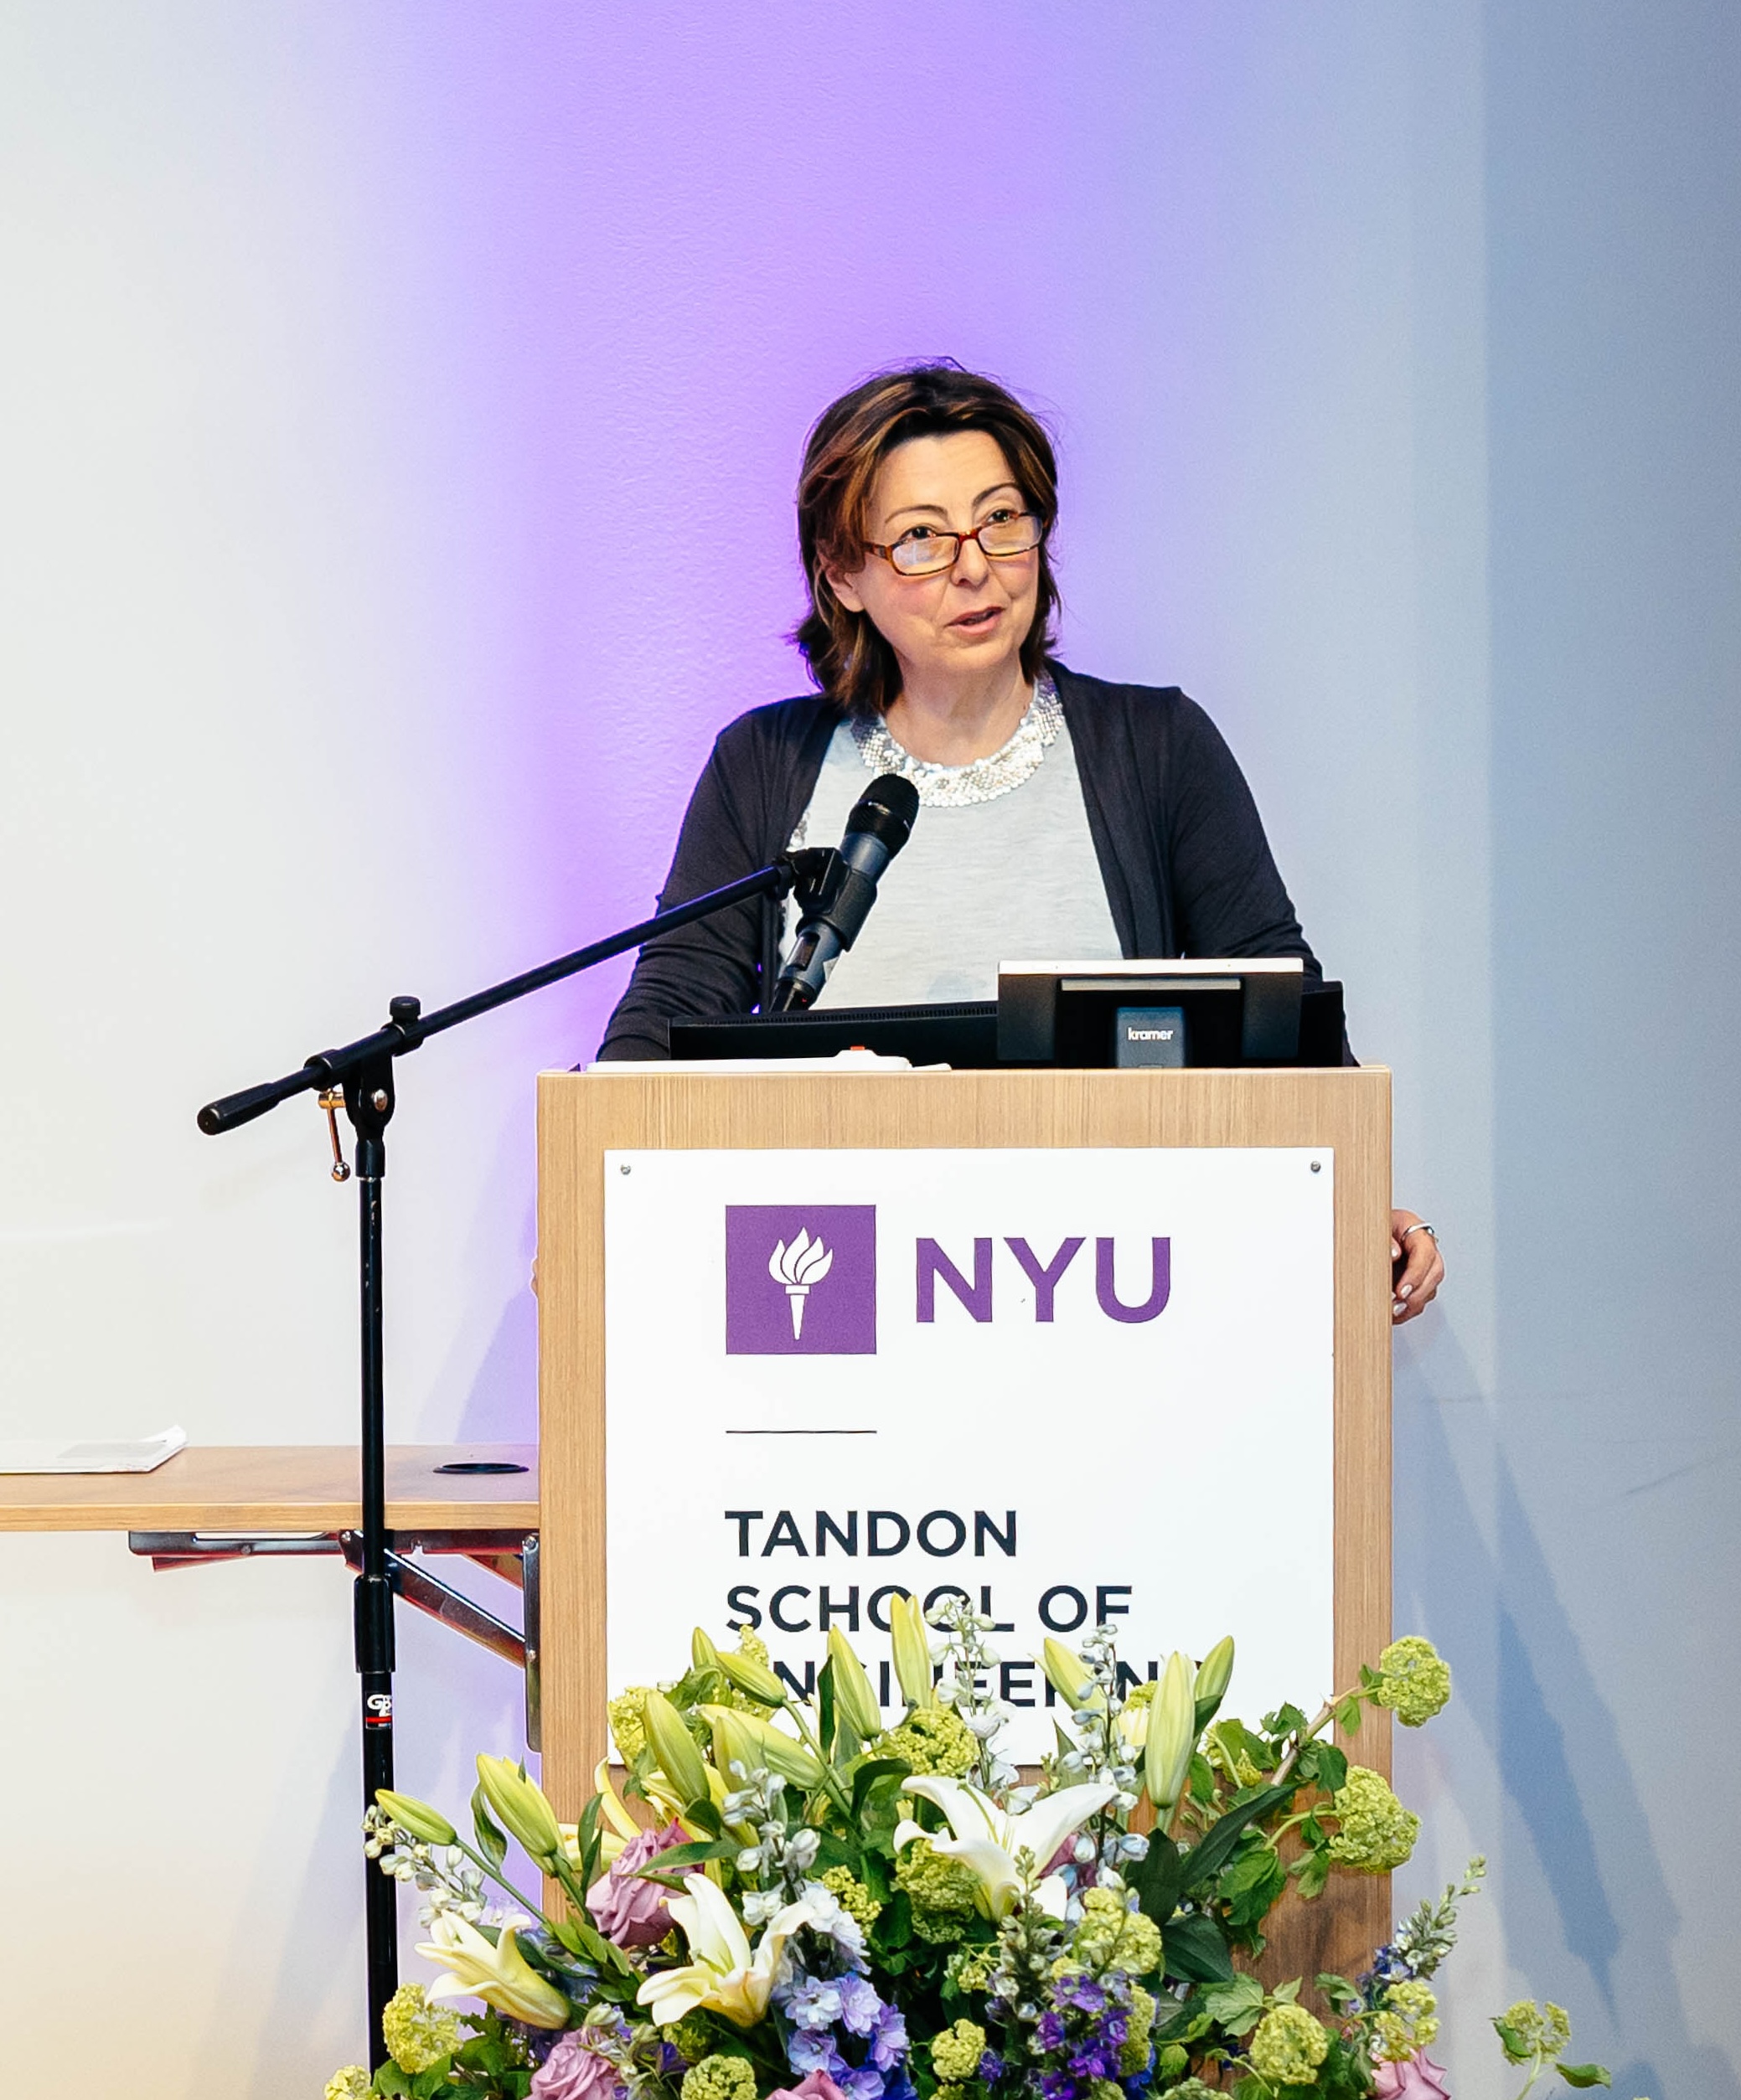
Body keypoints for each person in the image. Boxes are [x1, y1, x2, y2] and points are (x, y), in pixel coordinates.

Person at [598, 364, 1444, 1323]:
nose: (974, 566)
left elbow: (1270, 997)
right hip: (844, 1294)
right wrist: (591, 1198)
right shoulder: (765, 764)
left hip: (1110, 1290)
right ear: (843, 574)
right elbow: (667, 1014)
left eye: (1001, 519)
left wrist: (1344, 1198)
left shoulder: (1155, 749)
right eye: (920, 537)